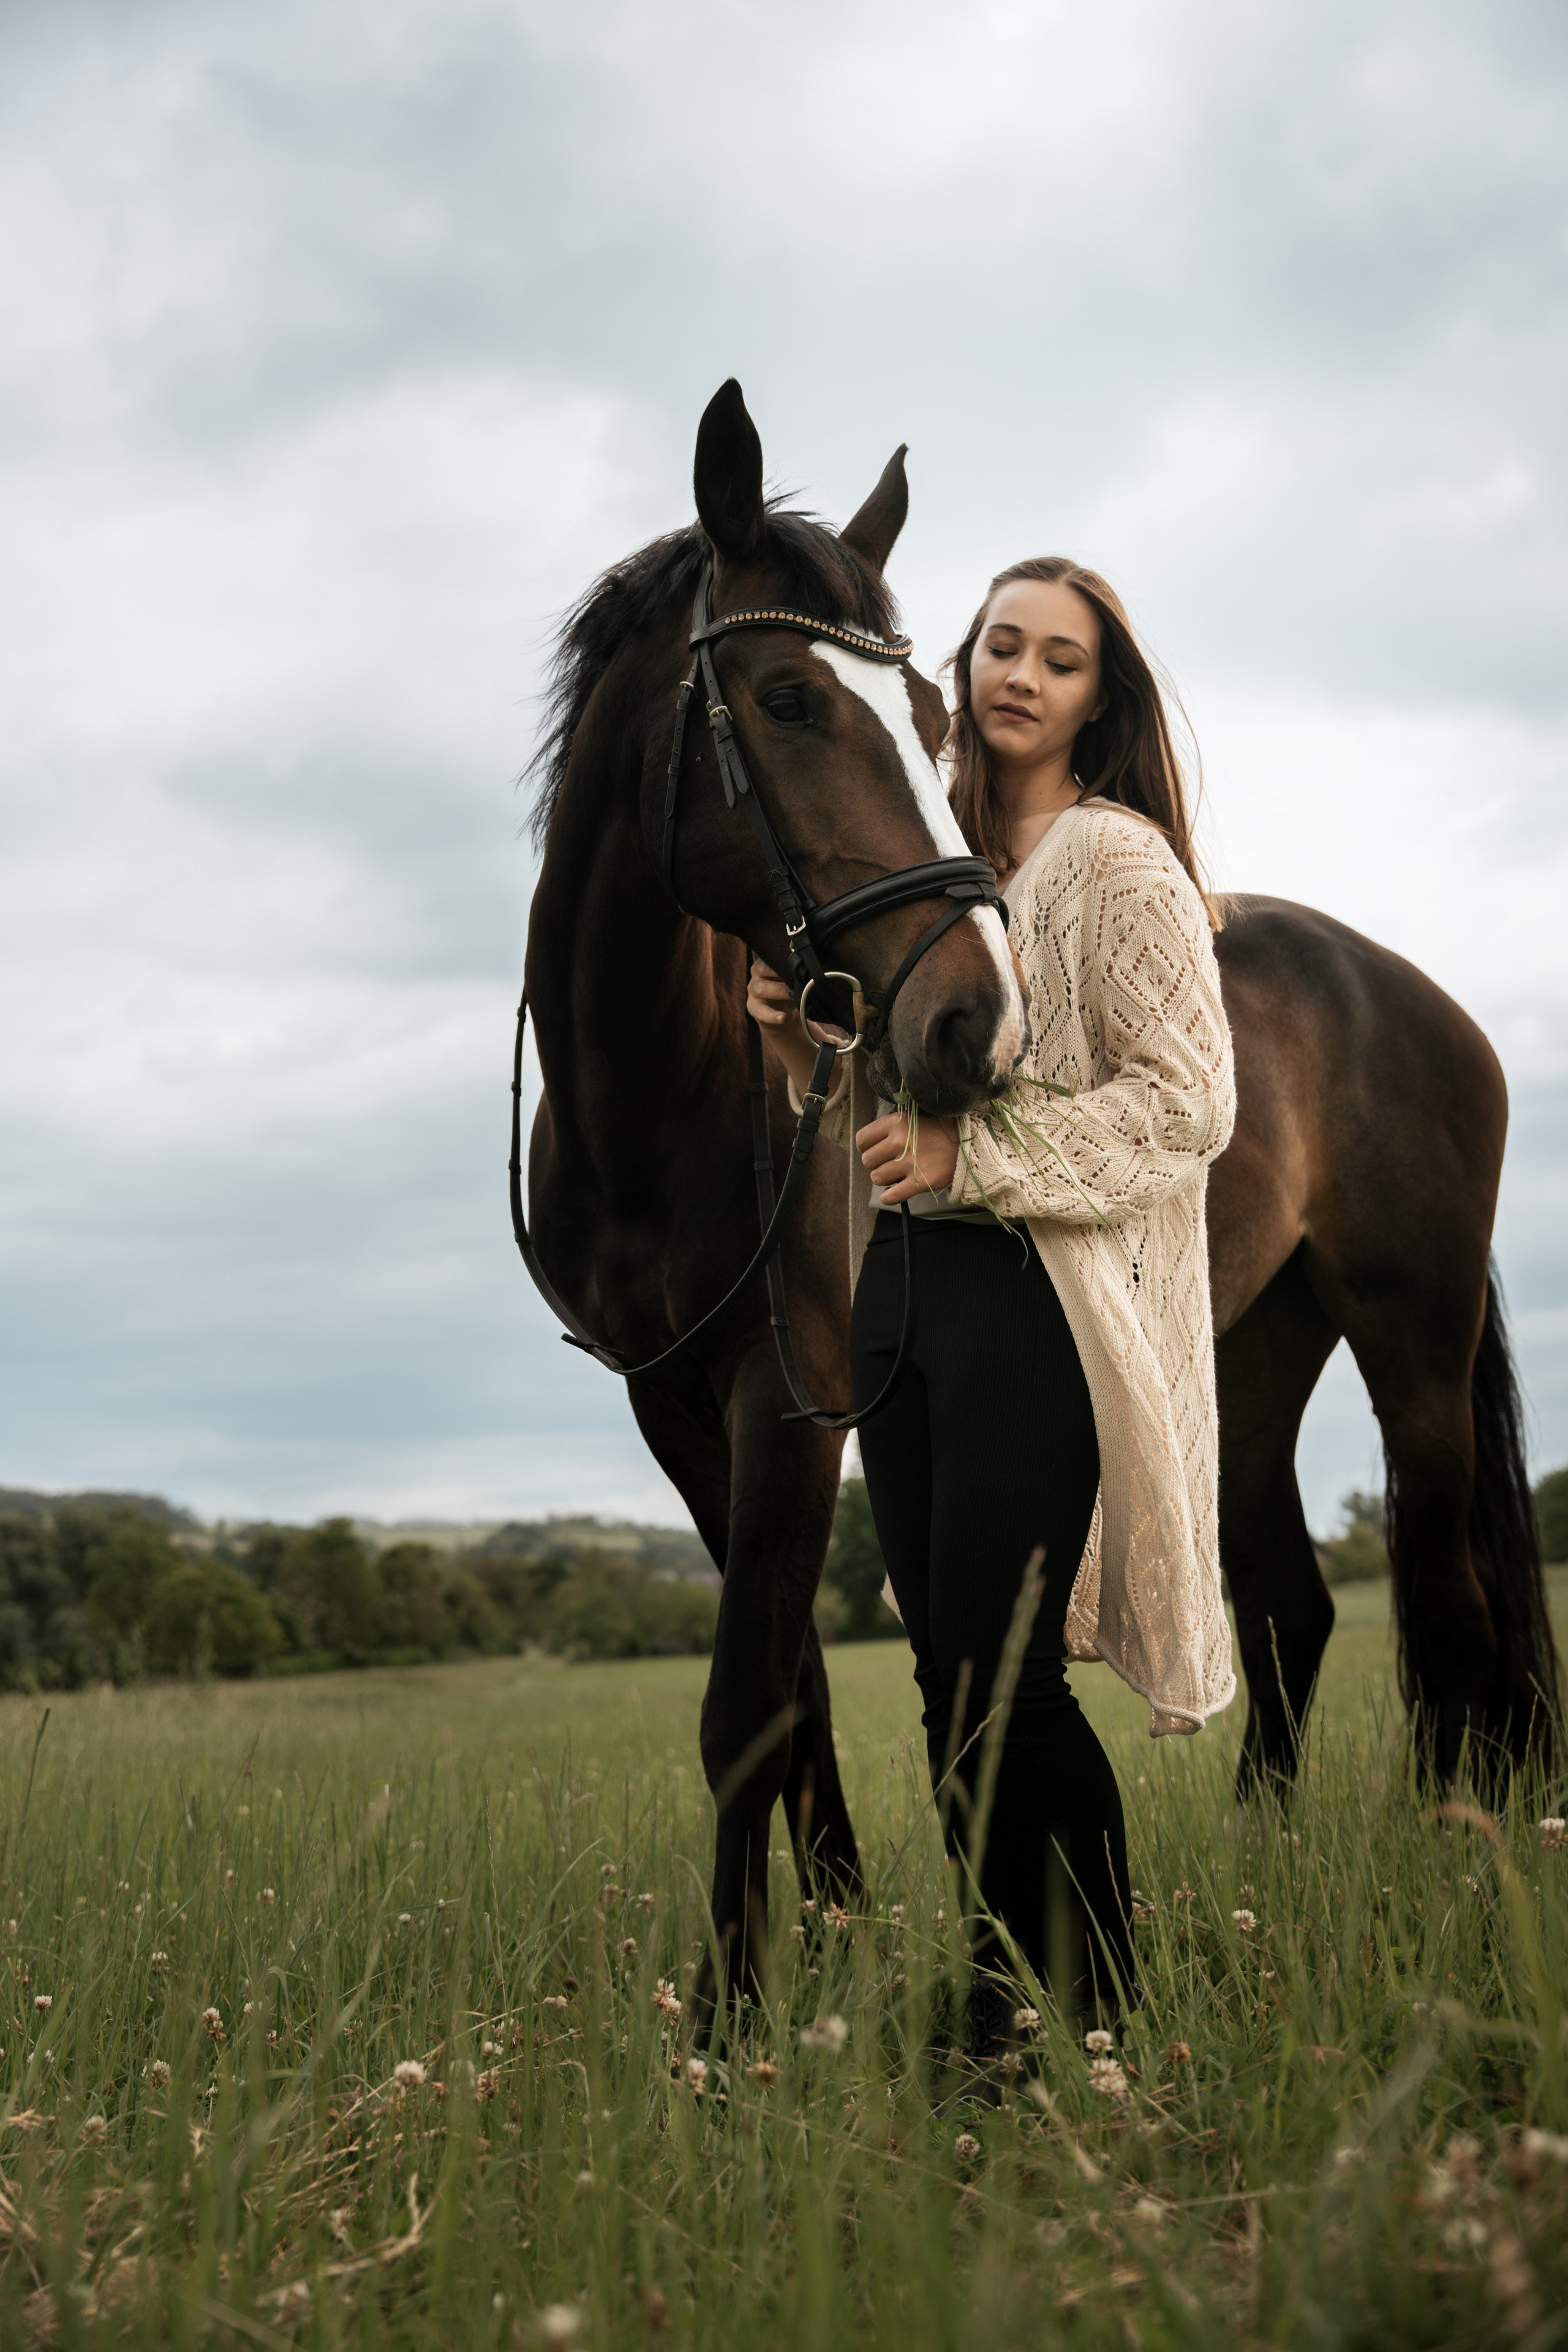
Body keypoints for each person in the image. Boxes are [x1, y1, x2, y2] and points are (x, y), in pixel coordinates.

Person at [749, 556, 1237, 2035]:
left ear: (1102, 695)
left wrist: (982, 1152)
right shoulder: (924, 856)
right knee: (942, 1674)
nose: (1017, 676)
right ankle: (996, 1989)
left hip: (1041, 1299)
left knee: (1009, 1680)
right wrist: (796, 1045)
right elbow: (879, 1128)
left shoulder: (1118, 864)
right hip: (905, 1293)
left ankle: (1089, 2013)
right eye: (998, 647)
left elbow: (1188, 1103)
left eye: (1058, 658)